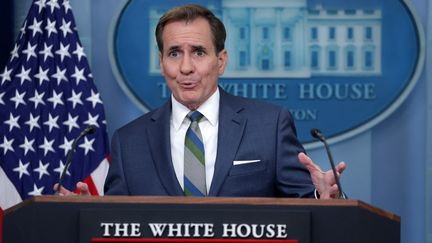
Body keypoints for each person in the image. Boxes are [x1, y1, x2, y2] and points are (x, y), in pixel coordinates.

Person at [57, 4, 346, 199]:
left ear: (221, 61)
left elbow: (305, 210)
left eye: (198, 52)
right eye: (173, 53)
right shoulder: (128, 142)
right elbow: (117, 227)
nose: (185, 67)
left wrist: (324, 196)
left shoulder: (269, 126)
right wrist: (90, 213)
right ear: (161, 63)